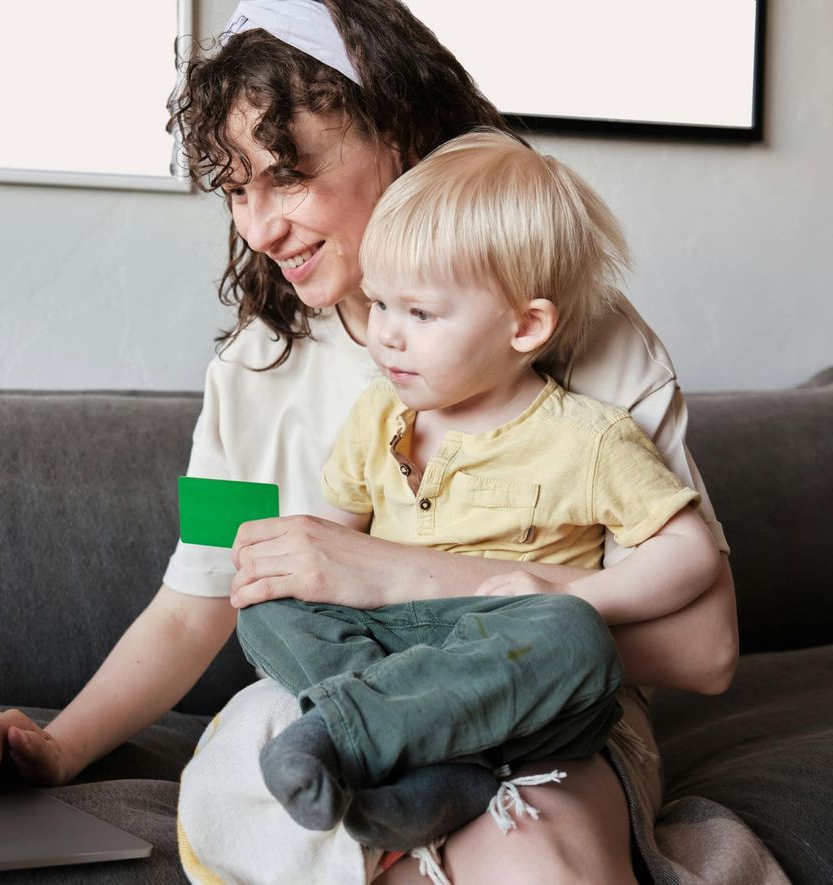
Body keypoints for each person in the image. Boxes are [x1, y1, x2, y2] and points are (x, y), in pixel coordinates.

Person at [0, 2, 739, 881]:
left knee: (526, 846)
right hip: (341, 711)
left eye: (287, 176)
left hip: (553, 719)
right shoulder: (250, 372)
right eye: (234, 187)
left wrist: (392, 577)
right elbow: (200, 596)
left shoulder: (586, 338)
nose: (259, 228)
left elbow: (705, 647)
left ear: (399, 134)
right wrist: (57, 745)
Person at [233, 128, 721, 854]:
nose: (388, 337)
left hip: (519, 671)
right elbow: (328, 554)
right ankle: (426, 757)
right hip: (403, 653)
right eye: (381, 304)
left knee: (576, 638)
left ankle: (361, 731)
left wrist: (574, 598)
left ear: (526, 325)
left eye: (420, 314)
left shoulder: (587, 437)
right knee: (266, 599)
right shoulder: (379, 416)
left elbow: (693, 555)